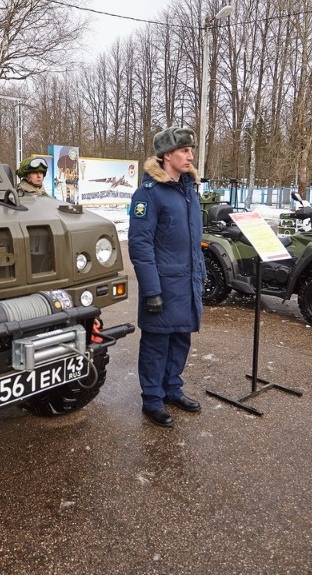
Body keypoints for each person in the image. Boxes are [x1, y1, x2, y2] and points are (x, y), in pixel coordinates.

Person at [128, 126, 205, 428]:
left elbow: (192, 239)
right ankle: (152, 399)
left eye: (190, 150)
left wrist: (199, 275)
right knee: (157, 343)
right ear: (167, 155)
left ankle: (172, 388)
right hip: (162, 284)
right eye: (185, 151)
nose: (191, 156)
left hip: (186, 282)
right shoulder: (148, 194)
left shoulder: (188, 190)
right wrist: (151, 290)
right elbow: (140, 244)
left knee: (180, 339)